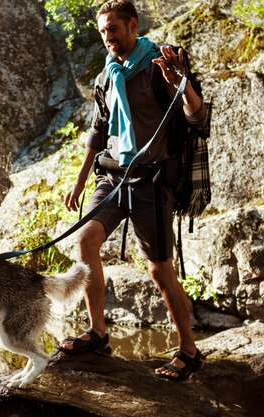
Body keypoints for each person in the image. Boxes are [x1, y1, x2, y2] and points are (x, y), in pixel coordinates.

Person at [57, 0, 207, 382]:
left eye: (113, 29)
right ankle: (98, 333)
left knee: (159, 270)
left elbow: (196, 114)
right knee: (86, 240)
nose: (108, 37)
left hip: (151, 180)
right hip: (112, 176)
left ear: (132, 25)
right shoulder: (106, 75)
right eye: (103, 31)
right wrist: (78, 180)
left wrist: (182, 83)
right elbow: (98, 130)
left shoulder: (162, 63)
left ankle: (189, 351)